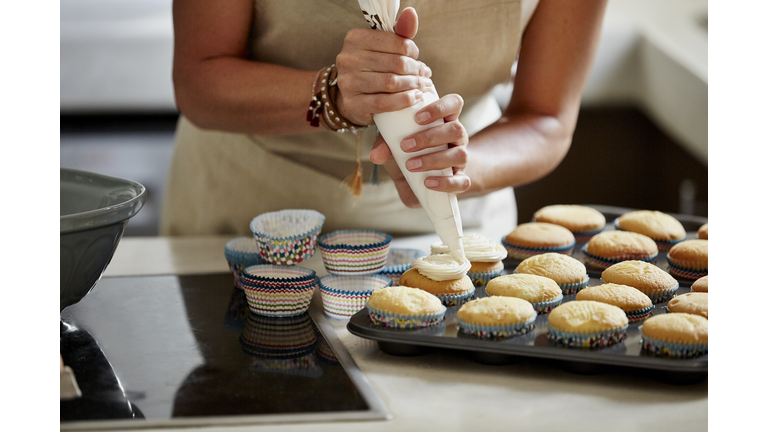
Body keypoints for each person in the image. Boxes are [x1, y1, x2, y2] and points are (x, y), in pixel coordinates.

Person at [159, 0, 608, 238]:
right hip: (251, 215)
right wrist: (330, 94)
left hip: (457, 224)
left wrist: (451, 167)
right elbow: (199, 77)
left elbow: (545, 117)